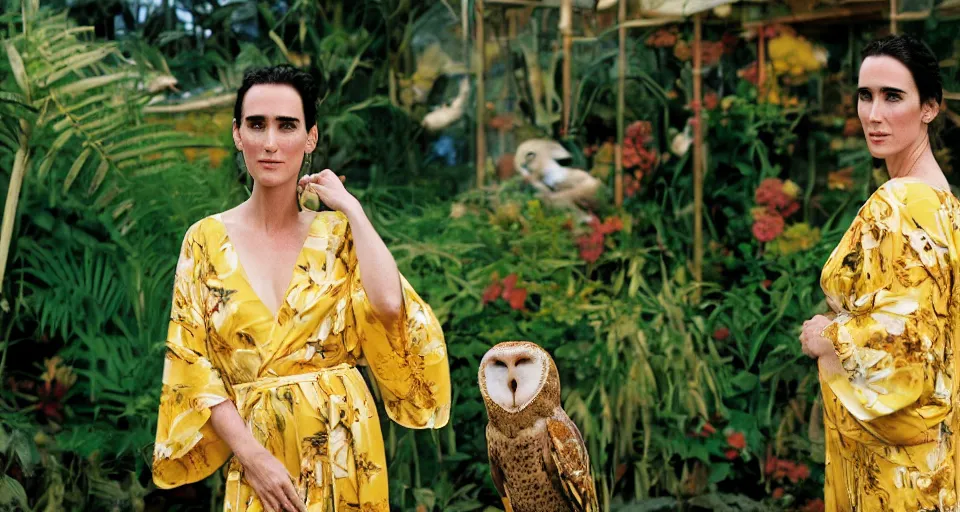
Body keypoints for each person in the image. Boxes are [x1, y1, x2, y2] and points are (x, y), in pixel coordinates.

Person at [151, 65, 451, 512]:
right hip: (260, 452)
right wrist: (252, 458)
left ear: (310, 137)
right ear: (238, 134)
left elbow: (390, 306)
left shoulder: (339, 234)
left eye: (286, 125)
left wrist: (353, 210)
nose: (270, 142)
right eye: (257, 125)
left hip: (344, 443)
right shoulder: (205, 241)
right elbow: (192, 366)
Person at [799, 34, 960, 510]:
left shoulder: (903, 201)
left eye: (893, 97)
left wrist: (828, 337)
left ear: (929, 107)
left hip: (893, 471)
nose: (873, 114)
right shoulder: (945, 203)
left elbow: (908, 344)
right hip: (932, 459)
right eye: (865, 95)